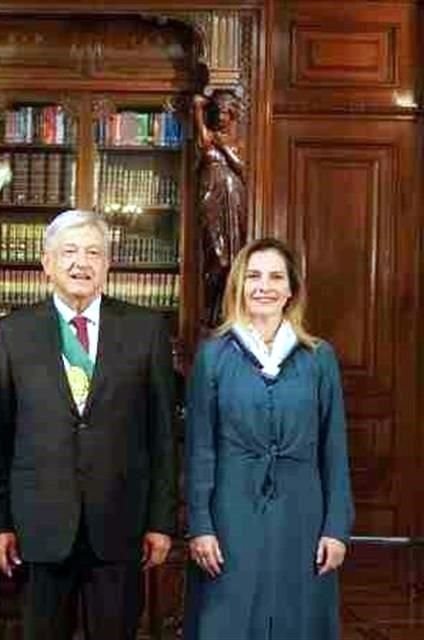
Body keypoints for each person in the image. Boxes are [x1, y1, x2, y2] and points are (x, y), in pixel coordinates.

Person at [0, 209, 176, 640]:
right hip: (39, 528)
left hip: (120, 525)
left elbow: (163, 438)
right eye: (68, 252)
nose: (80, 263)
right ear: (46, 264)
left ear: (108, 264)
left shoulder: (146, 330)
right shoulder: (14, 333)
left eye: (93, 252)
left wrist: (161, 521)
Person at [184, 237, 354, 639]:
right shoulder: (213, 356)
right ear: (239, 286)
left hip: (304, 516)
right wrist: (201, 525)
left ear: (291, 289)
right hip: (230, 514)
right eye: (254, 276)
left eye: (276, 277)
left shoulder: (319, 357)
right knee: (228, 620)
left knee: (299, 621)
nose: (264, 286)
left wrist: (336, 527)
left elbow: (334, 449)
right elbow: (200, 448)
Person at [193, 90, 247, 326]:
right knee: (214, 252)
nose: (220, 117)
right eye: (216, 112)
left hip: (231, 194)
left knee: (230, 257)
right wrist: (198, 109)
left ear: (232, 114)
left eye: (224, 112)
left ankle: (226, 310)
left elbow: (241, 167)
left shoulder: (236, 140)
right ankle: (211, 310)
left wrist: (223, 145)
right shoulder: (208, 136)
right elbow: (203, 140)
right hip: (209, 192)